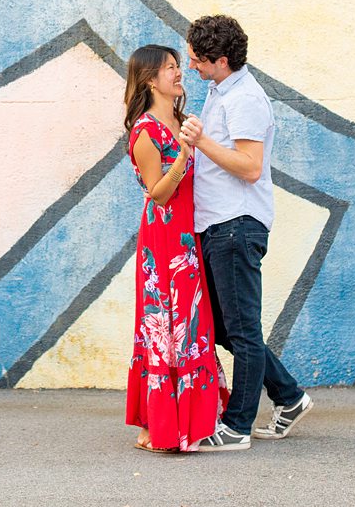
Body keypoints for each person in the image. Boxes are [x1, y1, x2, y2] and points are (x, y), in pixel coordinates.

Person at [180, 14, 312, 451]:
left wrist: (201, 143)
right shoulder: (222, 91)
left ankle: (236, 427)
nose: (191, 66)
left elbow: (250, 167)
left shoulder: (246, 100)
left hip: (235, 225)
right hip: (218, 224)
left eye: (198, 60)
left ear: (220, 60)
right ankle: (289, 397)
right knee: (223, 327)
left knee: (242, 330)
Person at [122, 44, 227, 453]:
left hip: (187, 239)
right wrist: (184, 155)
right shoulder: (145, 131)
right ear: (151, 80)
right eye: (170, 68)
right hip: (163, 242)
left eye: (178, 66)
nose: (179, 73)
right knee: (164, 325)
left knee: (189, 324)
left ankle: (192, 420)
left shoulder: (182, 121)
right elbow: (158, 194)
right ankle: (158, 426)